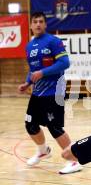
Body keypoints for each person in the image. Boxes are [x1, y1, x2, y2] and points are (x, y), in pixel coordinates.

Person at [18, 12, 82, 174]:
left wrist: (43, 73)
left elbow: (65, 62)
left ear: (45, 24)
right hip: (37, 93)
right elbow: (33, 71)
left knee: (55, 127)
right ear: (31, 25)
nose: (38, 24)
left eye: (41, 22)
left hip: (54, 92)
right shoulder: (29, 46)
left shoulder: (53, 41)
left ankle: (74, 161)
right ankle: (43, 151)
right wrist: (27, 83)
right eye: (35, 22)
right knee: (30, 124)